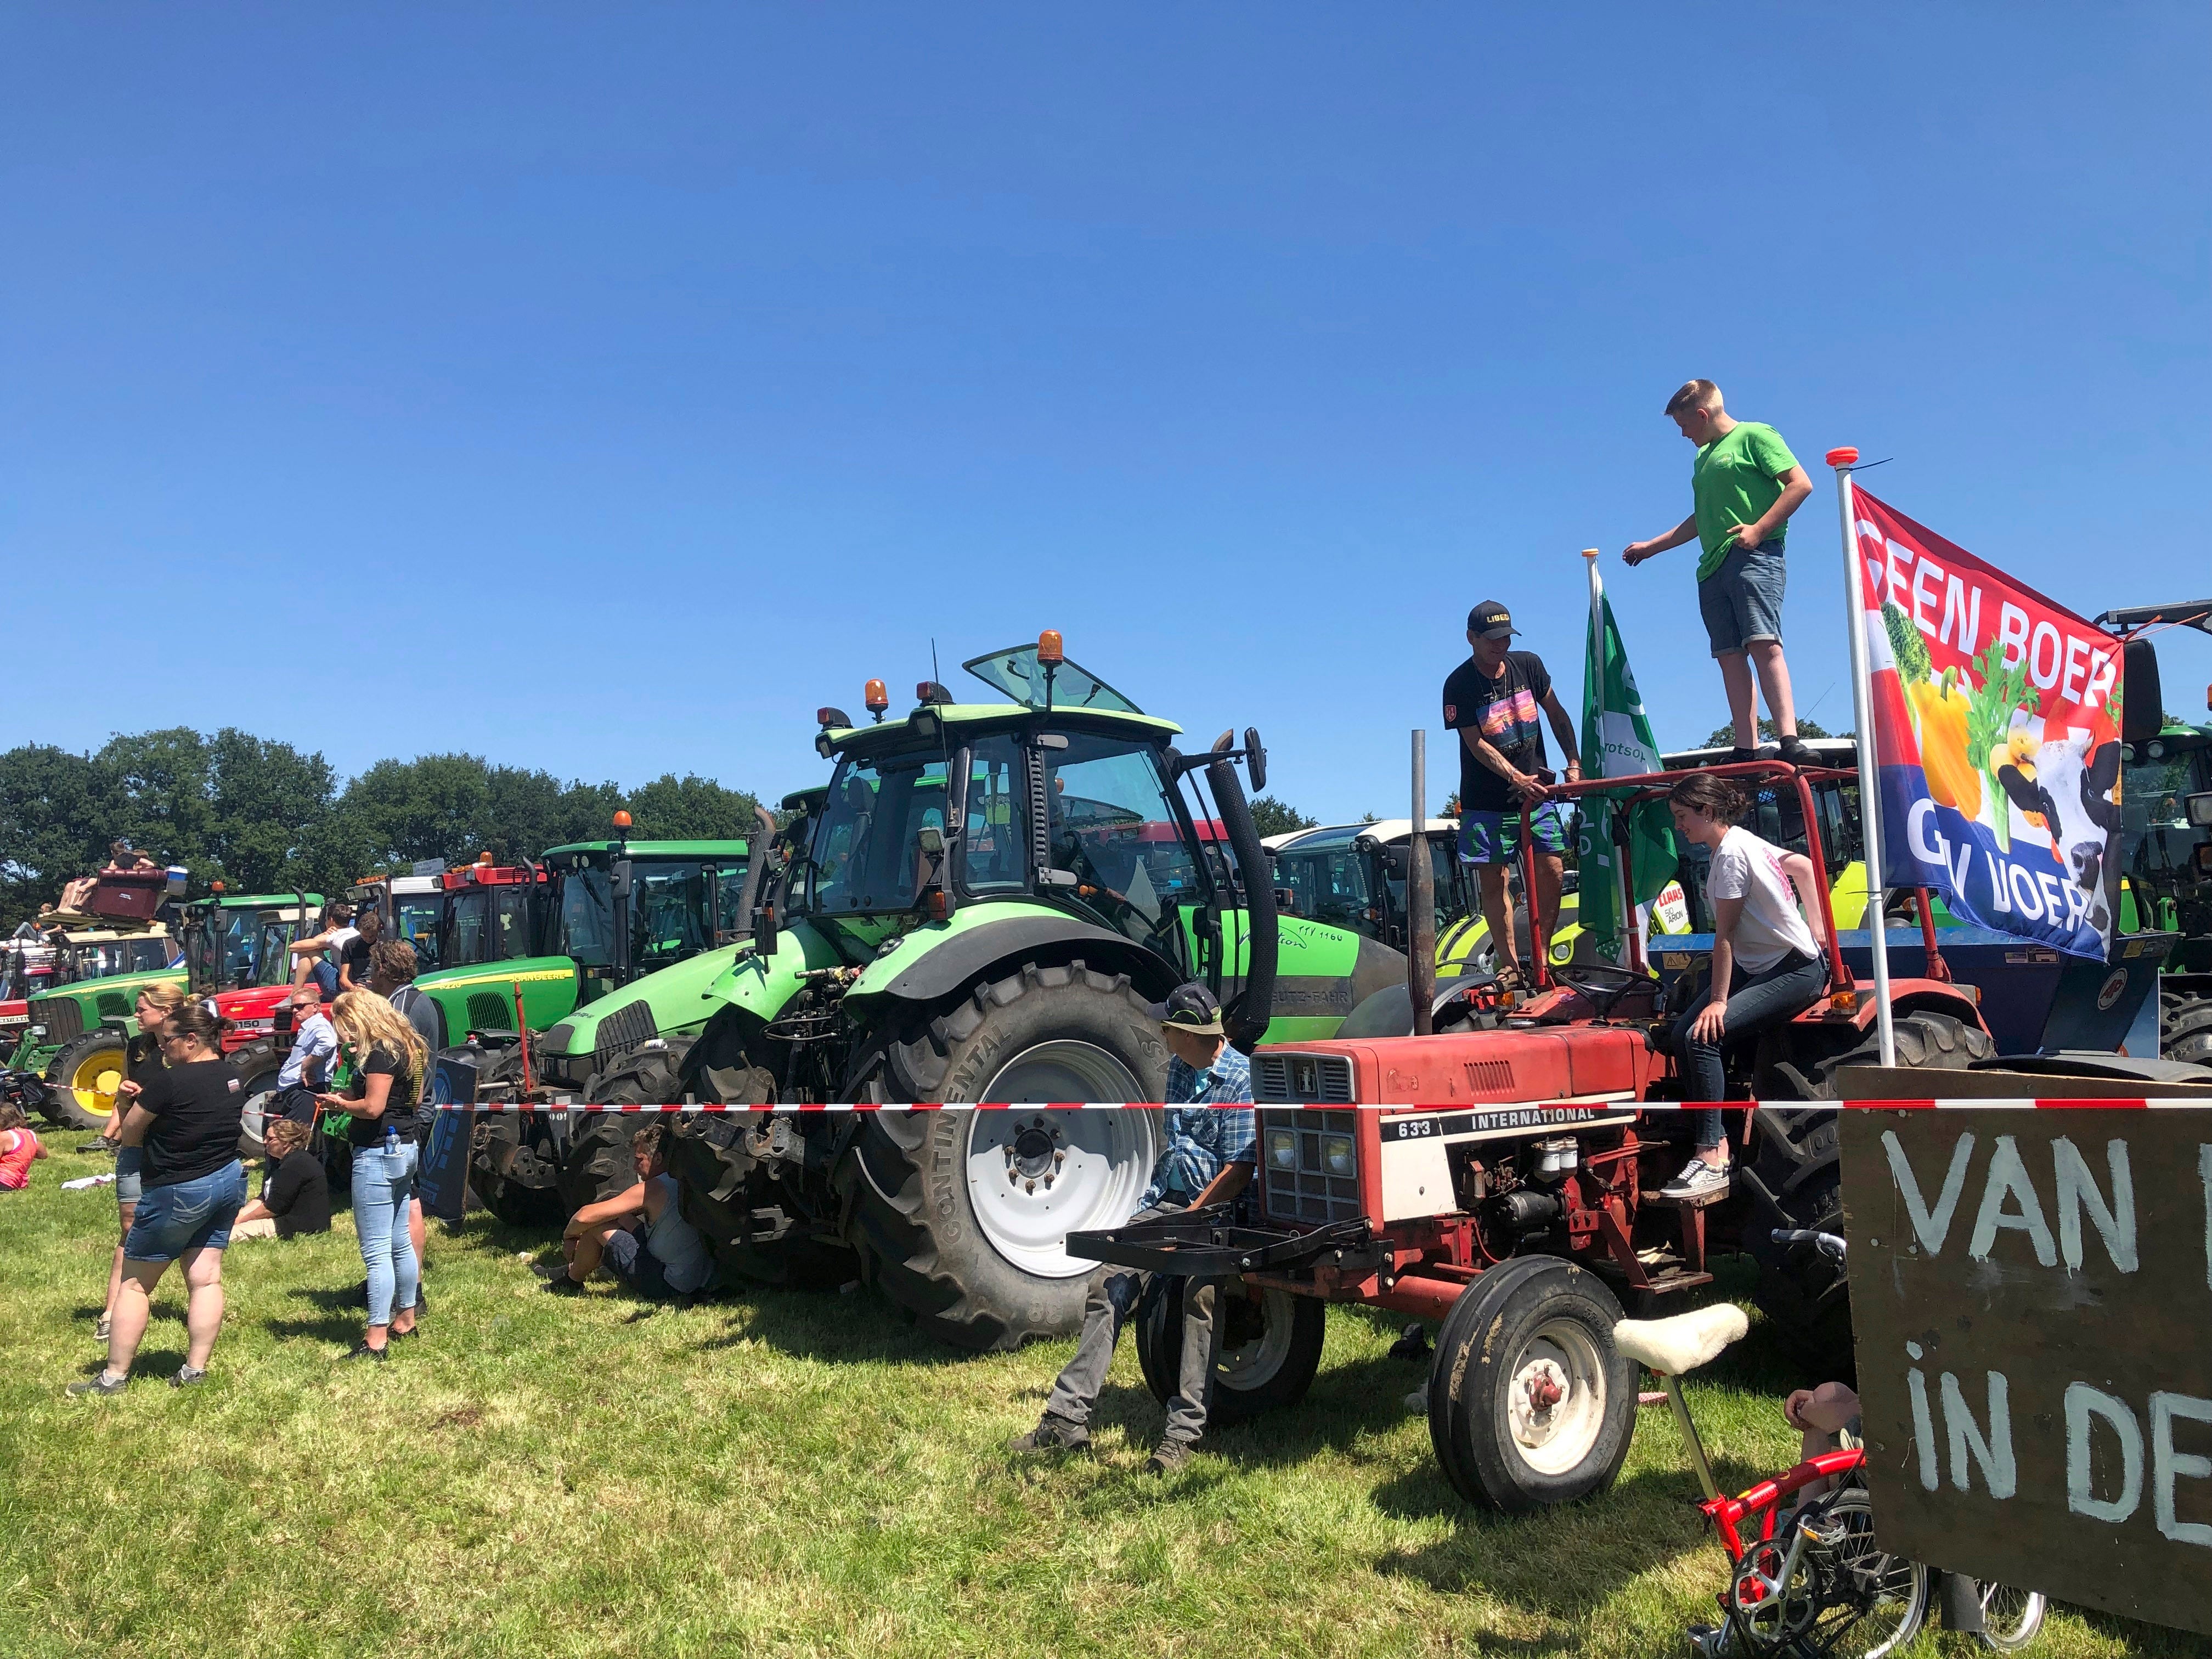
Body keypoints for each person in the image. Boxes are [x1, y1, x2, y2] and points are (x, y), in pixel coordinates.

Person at [1008, 984, 1255, 1476]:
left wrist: (1190, 1219)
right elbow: (1176, 1149)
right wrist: (1154, 1214)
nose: (1160, 1032)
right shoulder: (1180, 1072)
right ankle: (1066, 1418)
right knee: (1107, 1285)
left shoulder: (1241, 1081)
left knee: (1198, 1299)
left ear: (1186, 1033)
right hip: (1170, 1204)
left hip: (1218, 1213)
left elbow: (1240, 1170)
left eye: (1167, 1026)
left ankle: (1183, 1435)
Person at [1623, 381, 1817, 765]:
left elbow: (1800, 484)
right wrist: (1651, 547)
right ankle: (1745, 746)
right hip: (1712, 565)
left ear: (1702, 414)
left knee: (1762, 642)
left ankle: (1788, 738)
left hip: (1754, 555)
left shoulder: (1754, 435)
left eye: (1684, 425)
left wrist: (1758, 529)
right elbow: (1702, 518)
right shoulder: (1703, 458)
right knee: (1728, 654)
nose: (1683, 434)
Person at [1662, 772, 1830, 1194]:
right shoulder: (1740, 840)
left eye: (1683, 817)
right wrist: (1817, 924)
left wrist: (1719, 1001)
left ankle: (1711, 1156)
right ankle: (1716, 1136)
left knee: (1704, 1037)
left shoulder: (1733, 855)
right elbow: (1803, 866)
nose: (1680, 826)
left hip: (1794, 969)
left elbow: (1725, 937)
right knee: (1682, 1032)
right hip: (1760, 965)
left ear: (1708, 810)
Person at [69, 1000, 247, 1395]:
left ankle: (113, 1376)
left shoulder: (169, 1082)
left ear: (190, 1040)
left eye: (167, 1041)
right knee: (205, 1280)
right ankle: (195, 1370)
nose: (160, 1048)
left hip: (177, 1190)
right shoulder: (231, 1076)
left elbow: (129, 1135)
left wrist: (127, 1101)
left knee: (133, 1285)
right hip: (228, 1181)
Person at [1442, 601, 1583, 991]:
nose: (1500, 646)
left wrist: (1573, 761)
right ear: (1472, 639)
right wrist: (1516, 777)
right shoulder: (1459, 684)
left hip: (1537, 795)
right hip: (1485, 802)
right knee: (1494, 882)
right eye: (1492, 640)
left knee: (1553, 867)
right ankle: (1509, 966)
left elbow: (1557, 714)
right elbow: (1476, 744)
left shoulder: (1529, 666)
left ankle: (1540, 955)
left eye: (1506, 638)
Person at [320, 990, 427, 1361]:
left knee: (376, 1250)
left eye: (346, 1028)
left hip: (378, 1152)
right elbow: (412, 1101)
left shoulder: (380, 1053)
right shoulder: (409, 1047)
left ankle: (376, 1337)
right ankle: (407, 1318)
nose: (344, 1037)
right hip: (406, 1146)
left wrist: (340, 1104)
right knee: (399, 1242)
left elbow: (372, 1107)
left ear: (361, 1019)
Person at [97, 981, 189, 1342]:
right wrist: (123, 1099)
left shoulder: (187, 1045)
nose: (136, 1015)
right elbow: (122, 1101)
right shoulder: (135, 1048)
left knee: (186, 1230)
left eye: (141, 1009)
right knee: (129, 1225)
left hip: (175, 1147)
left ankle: (198, 1298)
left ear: (166, 1012)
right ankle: (111, 1311)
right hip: (137, 1146)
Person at [545, 1122, 715, 1300]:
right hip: (700, 1280)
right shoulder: (682, 1179)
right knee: (616, 1217)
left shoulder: (653, 1188)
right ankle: (577, 1267)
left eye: (639, 1160)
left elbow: (583, 1217)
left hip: (671, 1286)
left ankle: (573, 1280)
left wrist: (569, 1237)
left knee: (595, 1225)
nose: (635, 1167)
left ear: (658, 1159)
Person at [370, 938, 442, 1292]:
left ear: (384, 970)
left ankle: (410, 1286)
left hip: (408, 1114)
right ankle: (402, 1281)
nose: (368, 974)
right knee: (404, 1196)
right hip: (418, 1109)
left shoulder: (400, 1008)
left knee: (405, 1199)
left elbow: (407, 1068)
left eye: (372, 967)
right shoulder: (420, 999)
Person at [230, 1118, 332, 1240]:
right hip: (282, 1219)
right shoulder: (282, 1162)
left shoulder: (296, 1165)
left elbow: (272, 1208)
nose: (264, 1142)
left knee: (226, 1235)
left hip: (298, 1227)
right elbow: (264, 1198)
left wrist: (241, 1221)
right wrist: (239, 1216)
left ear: (285, 1142)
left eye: (270, 1139)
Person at [272, 981, 337, 1129]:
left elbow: (328, 1043)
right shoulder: (308, 1027)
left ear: (315, 1007)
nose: (295, 1011)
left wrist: (307, 1065)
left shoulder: (318, 1025)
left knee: (290, 1137)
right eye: (293, 1007)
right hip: (296, 1090)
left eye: (300, 1006)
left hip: (307, 1090)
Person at [289, 902, 356, 992]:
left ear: (331, 920)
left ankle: (294, 994)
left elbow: (293, 947)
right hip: (354, 983)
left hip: (339, 988)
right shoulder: (355, 934)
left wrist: (325, 934)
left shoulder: (333, 936)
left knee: (308, 951)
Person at [0, 1104, 46, 1189]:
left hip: (3, 1180)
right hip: (17, 1183)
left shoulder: (4, 1137)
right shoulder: (30, 1134)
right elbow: (43, 1155)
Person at [337, 908, 382, 995]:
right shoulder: (350, 945)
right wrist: (355, 989)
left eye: (372, 936)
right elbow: (343, 979)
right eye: (365, 936)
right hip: (356, 988)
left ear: (378, 932)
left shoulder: (384, 945)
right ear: (360, 931)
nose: (368, 939)